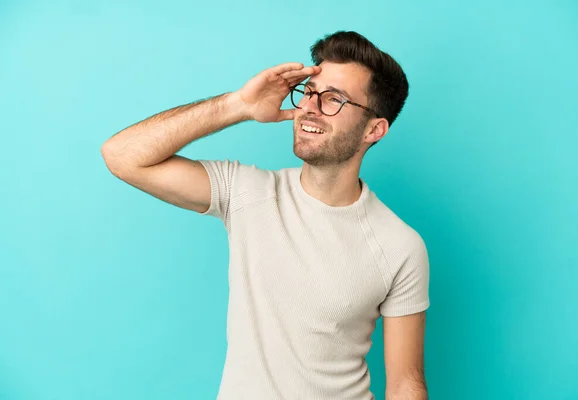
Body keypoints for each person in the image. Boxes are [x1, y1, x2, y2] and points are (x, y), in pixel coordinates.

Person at [101, 30, 430, 400]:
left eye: (333, 100)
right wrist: (239, 105)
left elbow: (406, 384)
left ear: (375, 129)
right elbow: (122, 156)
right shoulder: (246, 192)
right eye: (308, 92)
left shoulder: (400, 246)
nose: (309, 107)